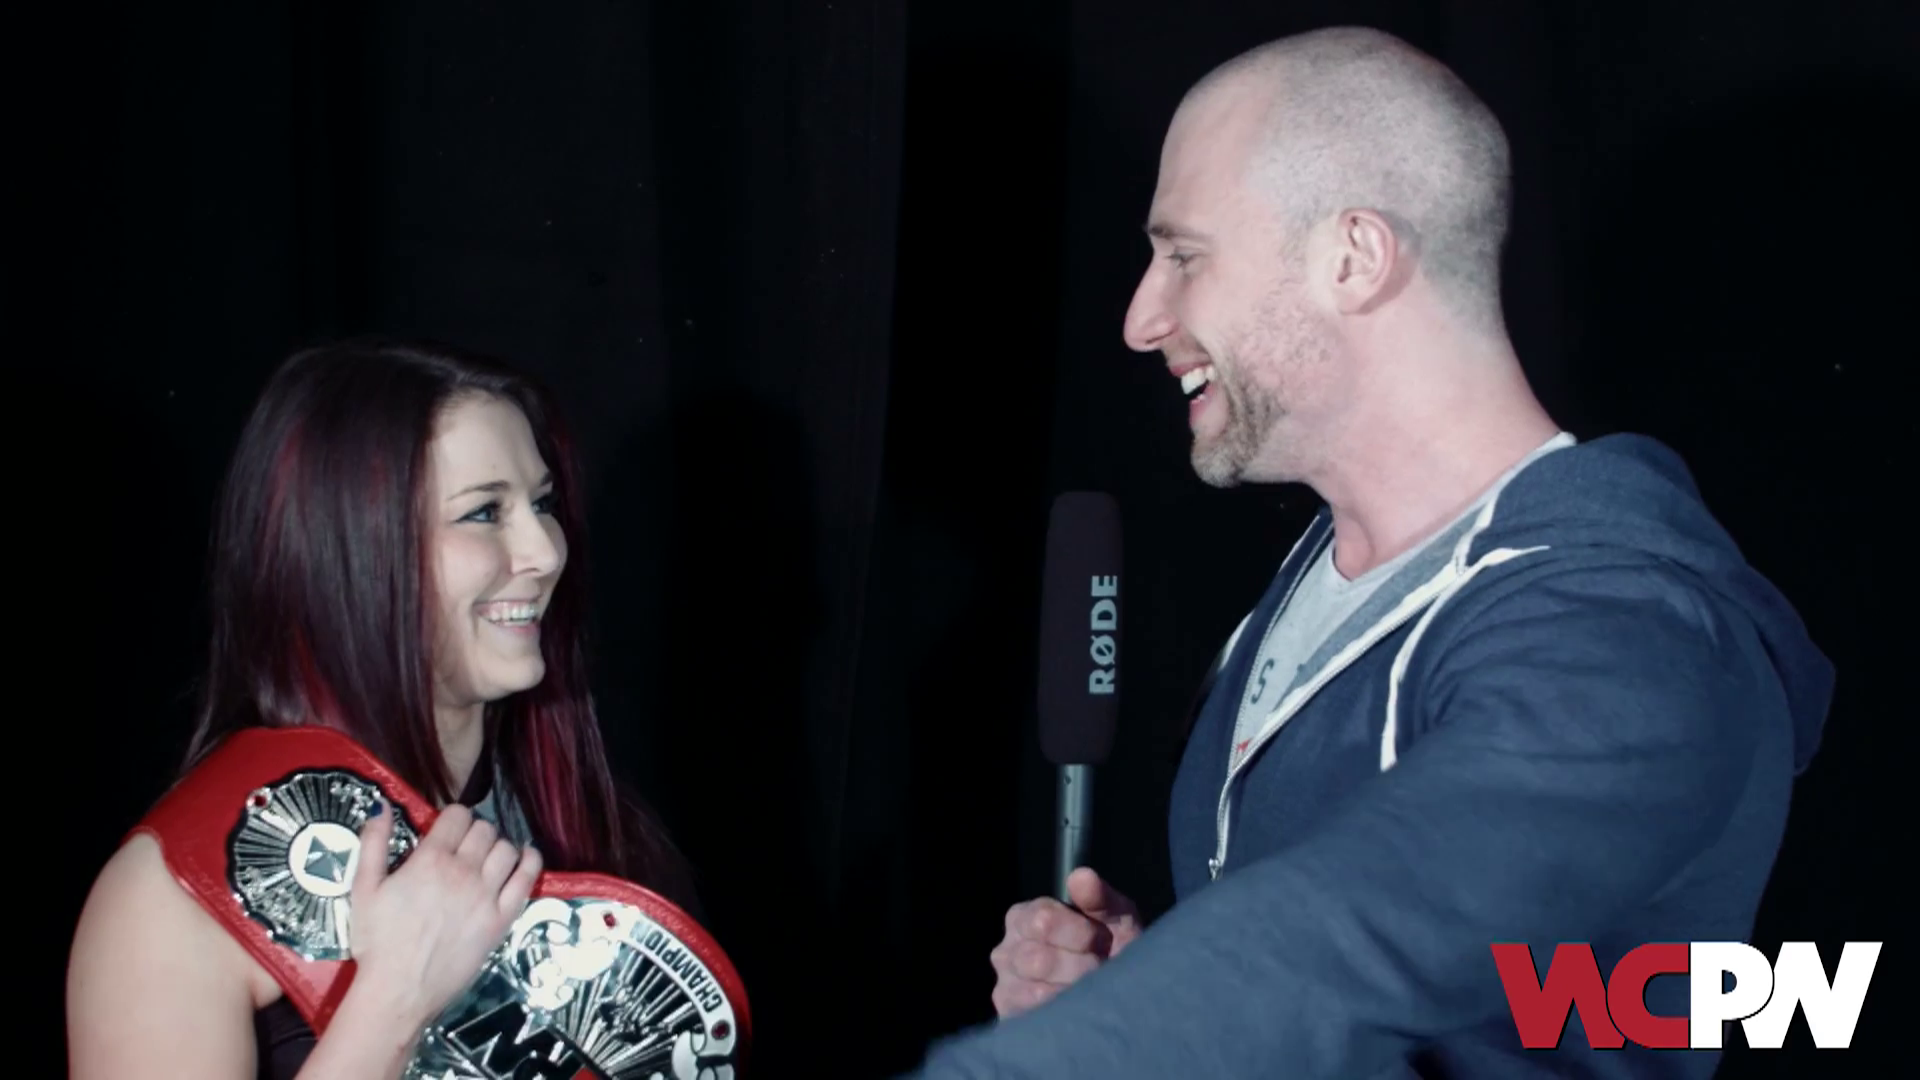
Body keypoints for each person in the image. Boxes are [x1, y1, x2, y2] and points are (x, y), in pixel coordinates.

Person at [909, 25, 1833, 1079]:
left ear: (1354, 257)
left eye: (1185, 257)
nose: (1140, 318)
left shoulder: (1627, 637)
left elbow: (1347, 948)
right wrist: (1149, 977)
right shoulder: (1330, 570)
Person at [66, 338, 698, 1079]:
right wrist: (395, 1000)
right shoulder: (169, 900)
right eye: (483, 512)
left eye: (543, 504)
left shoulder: (592, 825)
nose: (546, 552)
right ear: (347, 552)